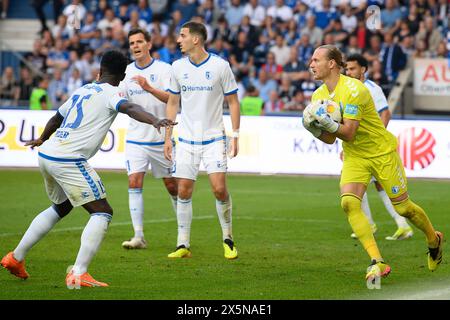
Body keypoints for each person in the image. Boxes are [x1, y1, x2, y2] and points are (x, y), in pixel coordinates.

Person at [0, 50, 176, 288]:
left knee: (61, 206)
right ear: (123, 75)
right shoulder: (113, 92)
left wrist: (42, 138)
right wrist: (154, 120)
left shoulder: (82, 89)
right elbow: (130, 108)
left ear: (99, 71)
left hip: (47, 153)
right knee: (102, 211)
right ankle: (79, 272)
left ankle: (15, 258)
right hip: (68, 159)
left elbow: (56, 117)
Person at [303, 45, 443, 285]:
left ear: (332, 64)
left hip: (381, 153)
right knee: (348, 202)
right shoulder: (318, 96)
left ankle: (434, 240)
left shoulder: (354, 90)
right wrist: (314, 128)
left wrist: (326, 122)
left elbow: (348, 132)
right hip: (355, 156)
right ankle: (377, 261)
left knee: (404, 209)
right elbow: (330, 138)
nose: (311, 65)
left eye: (316, 60)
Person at [164, 21, 240, 260]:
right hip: (186, 139)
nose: (179, 40)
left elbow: (233, 102)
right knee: (183, 191)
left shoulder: (220, 66)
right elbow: (173, 103)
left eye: (182, 35)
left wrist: (235, 134)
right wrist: (168, 136)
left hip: (213, 138)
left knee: (219, 189)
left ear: (196, 39)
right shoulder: (176, 67)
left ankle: (228, 238)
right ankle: (182, 244)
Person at [119, 28, 178, 250]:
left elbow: (172, 99)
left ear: (149, 44)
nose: (135, 46)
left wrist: (149, 88)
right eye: (132, 43)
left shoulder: (164, 69)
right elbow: (121, 100)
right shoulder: (125, 72)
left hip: (161, 138)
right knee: (134, 182)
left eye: (139, 42)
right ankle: (138, 236)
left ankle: (183, 236)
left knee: (172, 186)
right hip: (135, 138)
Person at [344, 53, 413, 241]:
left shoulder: (372, 89)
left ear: (363, 69)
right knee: (370, 185)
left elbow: (386, 113)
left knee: (366, 185)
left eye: (353, 68)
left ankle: (383, 225)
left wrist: (376, 138)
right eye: (347, 69)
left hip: (373, 149)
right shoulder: (348, 89)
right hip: (358, 147)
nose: (349, 72)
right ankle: (391, 225)